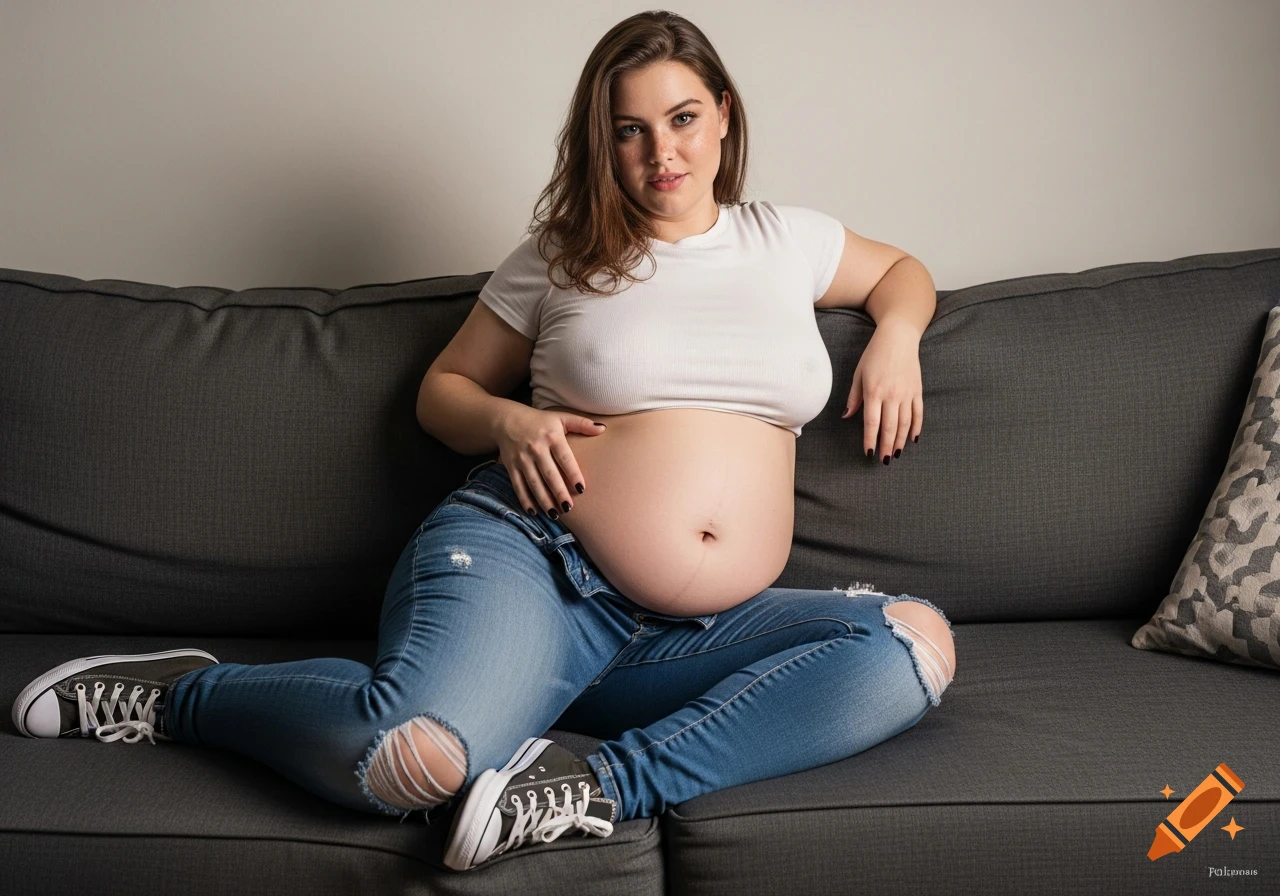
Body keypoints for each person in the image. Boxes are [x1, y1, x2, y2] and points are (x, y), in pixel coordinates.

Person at [11, 10, 956, 874]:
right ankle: (183, 698)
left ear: (723, 116)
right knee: (402, 763)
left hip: (687, 638)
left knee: (911, 646)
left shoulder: (787, 240)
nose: (660, 152)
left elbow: (904, 272)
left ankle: (593, 788)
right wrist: (510, 420)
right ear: (603, 142)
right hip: (537, 567)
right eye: (629, 130)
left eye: (681, 118)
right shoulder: (563, 252)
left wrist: (898, 340)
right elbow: (443, 392)